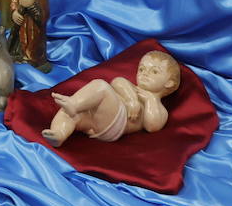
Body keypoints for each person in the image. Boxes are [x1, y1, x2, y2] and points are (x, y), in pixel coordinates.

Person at [42, 51, 182, 147]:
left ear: (169, 83)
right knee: (71, 114)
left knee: (101, 86)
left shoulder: (159, 107)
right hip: (98, 118)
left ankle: (74, 103)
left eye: (154, 72)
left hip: (115, 124)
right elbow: (118, 81)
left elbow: (152, 126)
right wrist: (132, 99)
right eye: (141, 69)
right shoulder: (132, 88)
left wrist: (150, 100)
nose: (145, 74)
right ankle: (59, 134)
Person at [5, 0, 51, 71]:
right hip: (21, 28)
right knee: (18, 42)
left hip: (33, 29)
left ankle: (32, 60)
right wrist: (14, 12)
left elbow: (43, 14)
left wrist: (31, 6)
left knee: (33, 45)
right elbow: (14, 0)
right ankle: (18, 54)